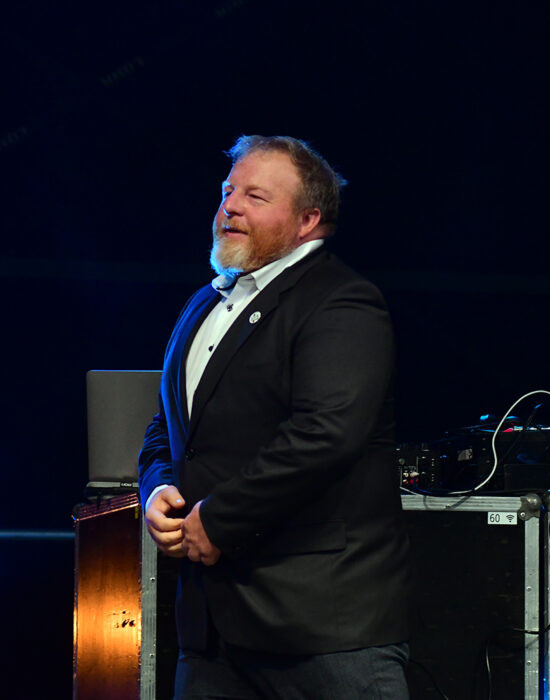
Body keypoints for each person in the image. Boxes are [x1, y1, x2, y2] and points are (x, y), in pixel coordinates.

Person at [138, 135, 411, 699]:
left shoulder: (340, 301)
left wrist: (219, 520)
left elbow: (325, 435)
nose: (230, 207)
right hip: (211, 630)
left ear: (309, 220)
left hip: (319, 629)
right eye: (227, 191)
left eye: (255, 197)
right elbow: (169, 425)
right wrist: (158, 487)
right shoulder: (206, 302)